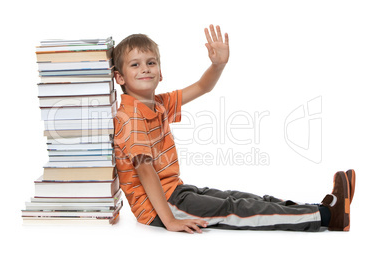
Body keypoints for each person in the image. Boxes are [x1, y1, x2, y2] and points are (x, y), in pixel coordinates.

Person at [112, 25, 356, 233]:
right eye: (135, 64)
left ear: (160, 73)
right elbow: (144, 170)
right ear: (120, 78)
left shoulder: (160, 103)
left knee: (238, 197)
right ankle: (325, 217)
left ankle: (321, 208)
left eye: (151, 62)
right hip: (159, 207)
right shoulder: (129, 117)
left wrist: (218, 65)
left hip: (175, 190)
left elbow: (202, 87)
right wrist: (170, 220)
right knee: (234, 209)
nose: (145, 68)